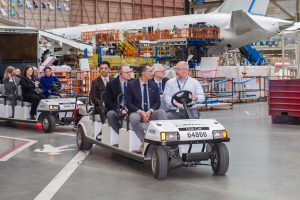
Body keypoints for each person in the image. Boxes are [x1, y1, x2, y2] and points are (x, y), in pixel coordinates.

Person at [126, 64, 167, 153]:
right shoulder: (131, 85)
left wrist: (150, 110)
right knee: (133, 118)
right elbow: (128, 103)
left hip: (150, 112)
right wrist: (140, 112)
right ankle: (145, 141)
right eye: (151, 71)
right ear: (143, 73)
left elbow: (157, 102)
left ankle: (165, 141)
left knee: (161, 112)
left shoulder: (153, 85)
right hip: (137, 112)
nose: (153, 73)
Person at [105, 64, 133, 134]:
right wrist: (120, 109)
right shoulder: (111, 84)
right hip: (118, 109)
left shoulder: (134, 82)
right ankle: (120, 134)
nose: (130, 74)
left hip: (132, 108)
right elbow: (108, 102)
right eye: (127, 72)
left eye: (130, 71)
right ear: (120, 73)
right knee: (110, 114)